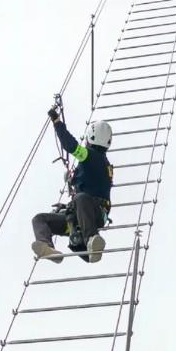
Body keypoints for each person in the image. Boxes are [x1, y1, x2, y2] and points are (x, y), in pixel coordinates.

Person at [30, 106, 114, 265]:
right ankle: (47, 247)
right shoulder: (101, 164)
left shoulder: (90, 156)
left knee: (81, 198)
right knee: (40, 219)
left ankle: (92, 241)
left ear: (90, 137)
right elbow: (90, 184)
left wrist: (57, 122)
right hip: (77, 218)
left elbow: (70, 145)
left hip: (94, 214)